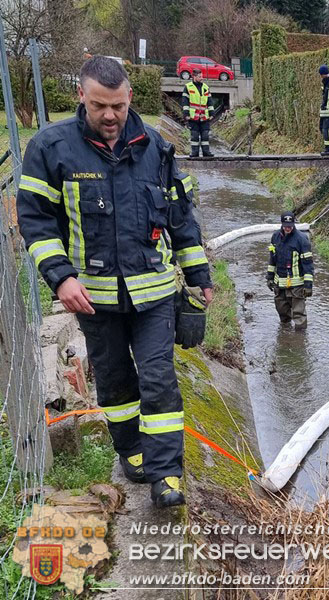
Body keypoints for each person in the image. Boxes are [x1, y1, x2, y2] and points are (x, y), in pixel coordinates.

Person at [16, 56, 213, 508]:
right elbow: (36, 220)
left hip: (156, 295)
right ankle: (131, 451)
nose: (110, 116)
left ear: (130, 100)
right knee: (115, 382)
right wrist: (61, 278)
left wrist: (200, 276)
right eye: (100, 106)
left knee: (159, 379)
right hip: (93, 299)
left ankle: (168, 476)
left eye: (119, 107)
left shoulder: (156, 147)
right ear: (81, 97)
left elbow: (181, 219)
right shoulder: (51, 149)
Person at [267, 212, 313, 330]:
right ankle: (285, 335)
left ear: (294, 224)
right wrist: (270, 277)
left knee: (298, 314)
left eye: (290, 225)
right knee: (282, 311)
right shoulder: (275, 237)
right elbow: (272, 260)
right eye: (286, 225)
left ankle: (300, 340)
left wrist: (308, 286)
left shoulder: (302, 239)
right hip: (280, 284)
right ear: (282, 224)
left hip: (297, 286)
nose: (288, 228)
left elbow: (308, 264)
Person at [182, 68, 214, 157]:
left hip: (204, 117)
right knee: (194, 136)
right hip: (193, 117)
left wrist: (211, 113)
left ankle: (206, 153)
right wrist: (186, 114)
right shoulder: (188, 87)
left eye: (202, 76)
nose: (201, 78)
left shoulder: (206, 87)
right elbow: (185, 102)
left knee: (205, 136)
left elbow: (210, 101)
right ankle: (194, 153)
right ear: (194, 77)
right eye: (200, 76)